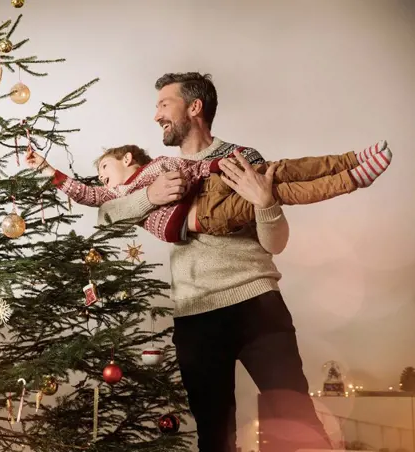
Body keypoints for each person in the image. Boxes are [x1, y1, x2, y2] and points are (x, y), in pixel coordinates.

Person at [94, 72, 341, 451]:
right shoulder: (156, 172)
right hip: (195, 318)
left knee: (298, 426)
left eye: (164, 104)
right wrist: (152, 198)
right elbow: (105, 216)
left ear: (194, 108)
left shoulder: (243, 159)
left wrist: (266, 203)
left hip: (257, 307)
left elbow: (276, 242)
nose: (156, 115)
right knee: (215, 438)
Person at [25, 141, 391, 242]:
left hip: (214, 183)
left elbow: (194, 168)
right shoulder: (116, 196)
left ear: (126, 157)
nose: (101, 179)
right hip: (209, 215)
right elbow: (89, 200)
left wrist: (220, 165)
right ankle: (353, 180)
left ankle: (351, 158)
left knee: (278, 170)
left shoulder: (163, 162)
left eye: (104, 168)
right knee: (284, 192)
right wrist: (46, 168)